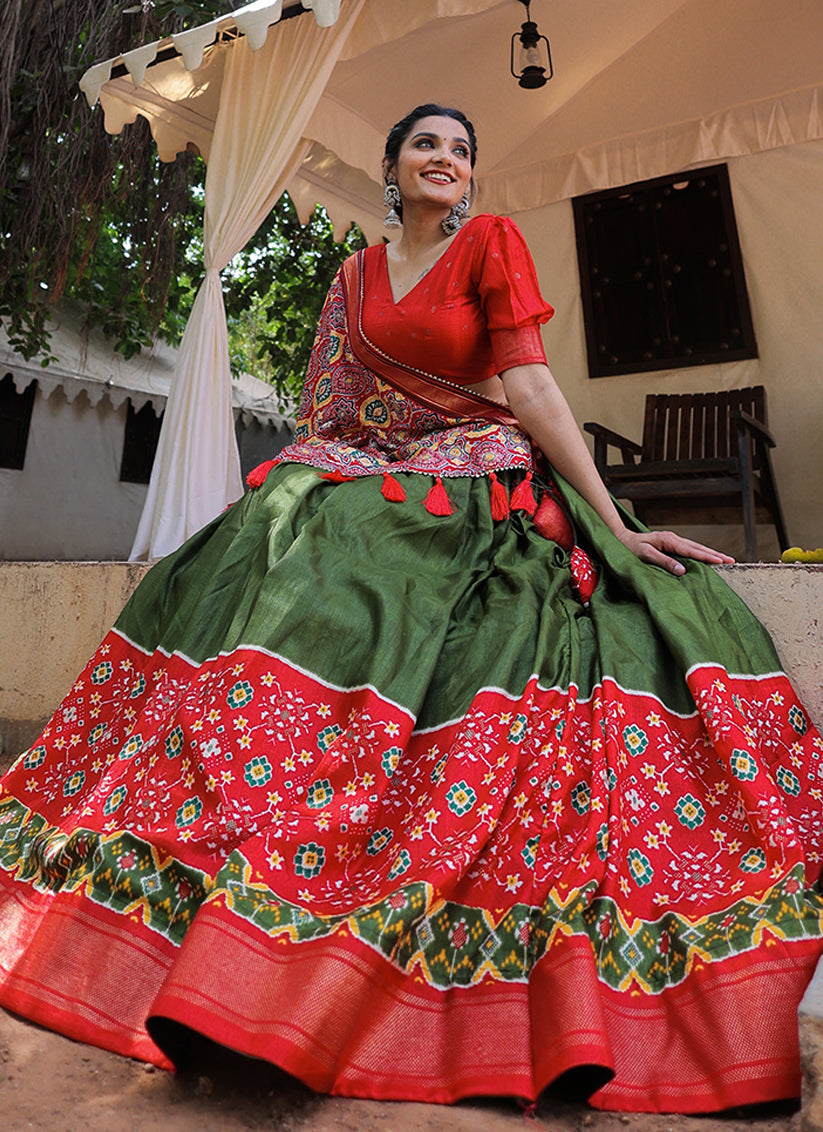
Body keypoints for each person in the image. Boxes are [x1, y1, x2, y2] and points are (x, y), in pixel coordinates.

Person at [0, 103, 821, 1115]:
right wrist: (313, 467)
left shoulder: (490, 242)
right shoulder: (350, 276)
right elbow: (331, 408)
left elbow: (528, 386)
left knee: (372, 552)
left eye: (461, 150)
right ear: (390, 167)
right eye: (426, 145)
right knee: (270, 523)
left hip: (475, 477)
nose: (446, 160)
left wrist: (611, 523)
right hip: (374, 467)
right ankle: (246, 807)